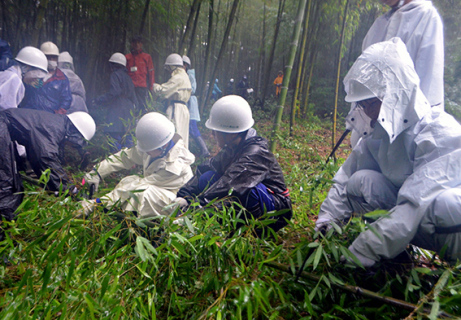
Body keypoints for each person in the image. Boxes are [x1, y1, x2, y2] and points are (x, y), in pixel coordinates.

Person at [315, 38, 461, 268]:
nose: (368, 112)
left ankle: (452, 269)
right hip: (413, 223)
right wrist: (326, 221)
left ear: (395, 96)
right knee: (359, 180)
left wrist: (365, 248)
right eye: (363, 104)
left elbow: (414, 205)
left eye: (371, 103)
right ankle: (395, 255)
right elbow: (345, 180)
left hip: (445, 227)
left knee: (446, 206)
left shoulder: (439, 133)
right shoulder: (381, 132)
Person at [175, 95, 292, 235]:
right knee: (208, 177)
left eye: (215, 131)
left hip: (277, 211)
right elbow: (207, 167)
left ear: (230, 133)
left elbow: (231, 184)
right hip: (244, 190)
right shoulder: (232, 147)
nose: (212, 134)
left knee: (247, 192)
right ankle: (231, 224)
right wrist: (185, 195)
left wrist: (196, 209)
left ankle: (255, 231)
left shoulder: (256, 152)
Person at [349, 0, 444, 147]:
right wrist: (358, 131)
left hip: (407, 139)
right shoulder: (379, 25)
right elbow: (362, 85)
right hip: (370, 137)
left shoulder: (426, 18)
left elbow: (428, 87)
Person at [81, 112, 195, 218]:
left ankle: (144, 225)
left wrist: (96, 204)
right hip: (156, 192)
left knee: (143, 192)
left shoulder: (176, 166)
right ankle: (117, 212)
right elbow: (124, 157)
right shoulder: (154, 147)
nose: (146, 153)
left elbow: (139, 186)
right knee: (129, 181)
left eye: (149, 150)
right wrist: (97, 173)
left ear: (163, 146)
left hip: (175, 204)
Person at [0, 109, 95, 220]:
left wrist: (52, 185)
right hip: (2, 130)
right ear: (74, 132)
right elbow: (46, 158)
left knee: (15, 186)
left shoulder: (56, 124)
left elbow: (37, 158)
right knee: (7, 188)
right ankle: (3, 228)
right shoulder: (53, 129)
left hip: (5, 130)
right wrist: (69, 189)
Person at [94, 52, 138, 151]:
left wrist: (99, 100)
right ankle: (129, 162)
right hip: (129, 109)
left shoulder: (115, 75)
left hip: (118, 108)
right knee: (127, 137)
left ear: (113, 65)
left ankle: (116, 159)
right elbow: (135, 99)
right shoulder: (129, 78)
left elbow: (114, 92)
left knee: (114, 135)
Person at [20, 41, 72, 114]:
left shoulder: (62, 78)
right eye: (48, 57)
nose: (51, 60)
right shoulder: (30, 73)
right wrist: (24, 81)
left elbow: (66, 100)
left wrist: (58, 115)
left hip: (49, 118)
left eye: (54, 57)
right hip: (28, 115)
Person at [153, 53, 192, 149]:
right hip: (183, 109)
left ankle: (172, 158)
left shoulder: (178, 78)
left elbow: (163, 92)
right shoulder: (185, 76)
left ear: (172, 66)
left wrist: (153, 85)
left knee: (173, 135)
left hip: (176, 109)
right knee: (182, 137)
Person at [0, 46, 48, 111]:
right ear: (28, 67)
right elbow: (7, 110)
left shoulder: (8, 74)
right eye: (35, 76)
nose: (35, 80)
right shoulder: (14, 80)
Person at [183, 55, 210, 158]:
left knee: (193, 128)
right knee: (189, 129)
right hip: (187, 105)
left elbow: (192, 89)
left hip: (190, 105)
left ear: (186, 65)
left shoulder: (189, 76)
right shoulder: (185, 75)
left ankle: (205, 150)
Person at [125, 36, 155, 112]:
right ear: (132, 44)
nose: (137, 44)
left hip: (142, 87)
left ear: (141, 44)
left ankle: (141, 122)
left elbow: (151, 73)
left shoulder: (146, 57)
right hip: (130, 87)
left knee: (142, 106)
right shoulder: (127, 57)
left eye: (139, 42)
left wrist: (151, 87)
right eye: (135, 42)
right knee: (130, 106)